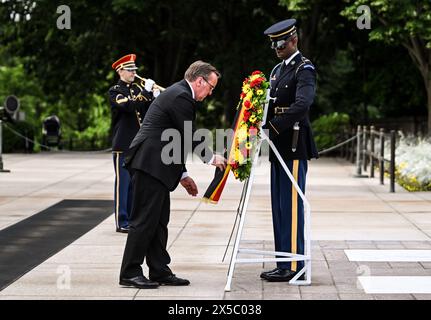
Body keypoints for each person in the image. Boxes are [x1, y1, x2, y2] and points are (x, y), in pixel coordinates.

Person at [119, 60, 227, 289]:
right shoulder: (181, 96)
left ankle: (159, 270)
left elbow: (174, 139)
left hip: (156, 165)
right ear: (200, 81)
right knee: (144, 220)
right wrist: (211, 158)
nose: (210, 93)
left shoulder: (178, 93)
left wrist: (182, 175)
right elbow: (189, 134)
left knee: (159, 222)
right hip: (148, 164)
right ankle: (130, 272)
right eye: (211, 87)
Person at [261, 19, 319, 282]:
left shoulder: (304, 69)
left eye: (281, 44)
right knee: (279, 206)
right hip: (277, 146)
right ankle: (283, 262)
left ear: (293, 40)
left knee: (292, 205)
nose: (277, 48)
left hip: (293, 143)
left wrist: (273, 127)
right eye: (274, 44)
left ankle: (296, 265)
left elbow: (302, 105)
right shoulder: (276, 70)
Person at [109, 53, 160, 233]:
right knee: (122, 185)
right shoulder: (115, 91)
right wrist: (145, 93)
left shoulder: (138, 89)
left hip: (138, 146)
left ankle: (132, 219)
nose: (133, 73)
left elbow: (148, 112)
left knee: (134, 185)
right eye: (130, 70)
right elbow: (128, 107)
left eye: (134, 70)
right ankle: (121, 221)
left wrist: (155, 97)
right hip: (122, 145)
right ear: (120, 71)